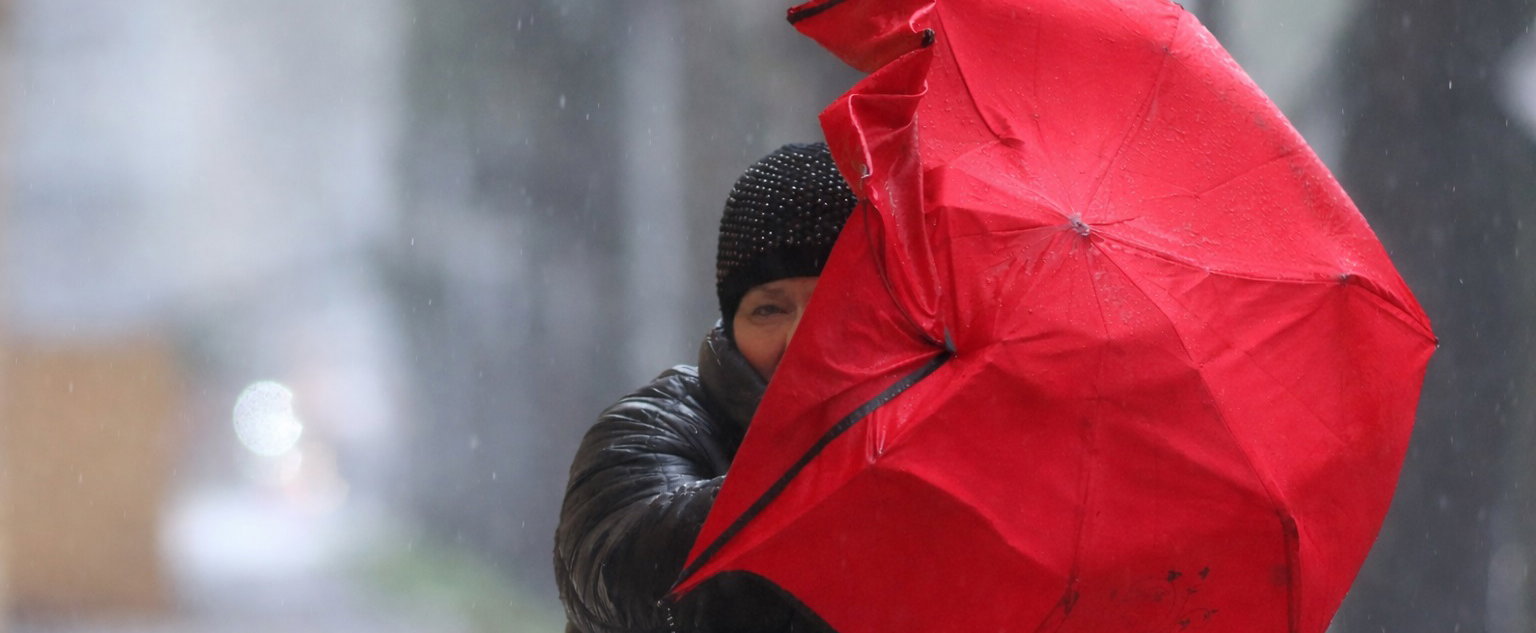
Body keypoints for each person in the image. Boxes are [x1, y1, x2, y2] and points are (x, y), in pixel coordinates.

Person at [554, 143, 855, 633]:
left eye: (836, 303)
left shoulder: (946, 431)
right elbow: (628, 571)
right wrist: (855, 469)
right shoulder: (651, 426)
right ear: (732, 323)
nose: (800, 338)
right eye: (769, 309)